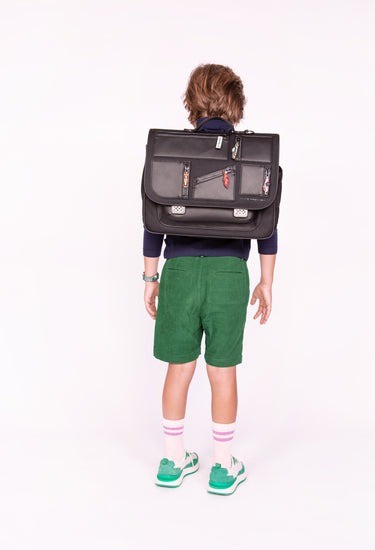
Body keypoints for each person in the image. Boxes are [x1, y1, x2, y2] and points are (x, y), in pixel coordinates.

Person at [142, 63, 279, 495]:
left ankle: (172, 461)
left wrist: (150, 277)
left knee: (179, 367)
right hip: (228, 274)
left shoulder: (170, 154)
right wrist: (266, 281)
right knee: (222, 371)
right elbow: (268, 225)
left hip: (180, 271)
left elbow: (153, 220)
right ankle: (222, 467)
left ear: (192, 103)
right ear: (236, 103)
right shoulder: (252, 155)